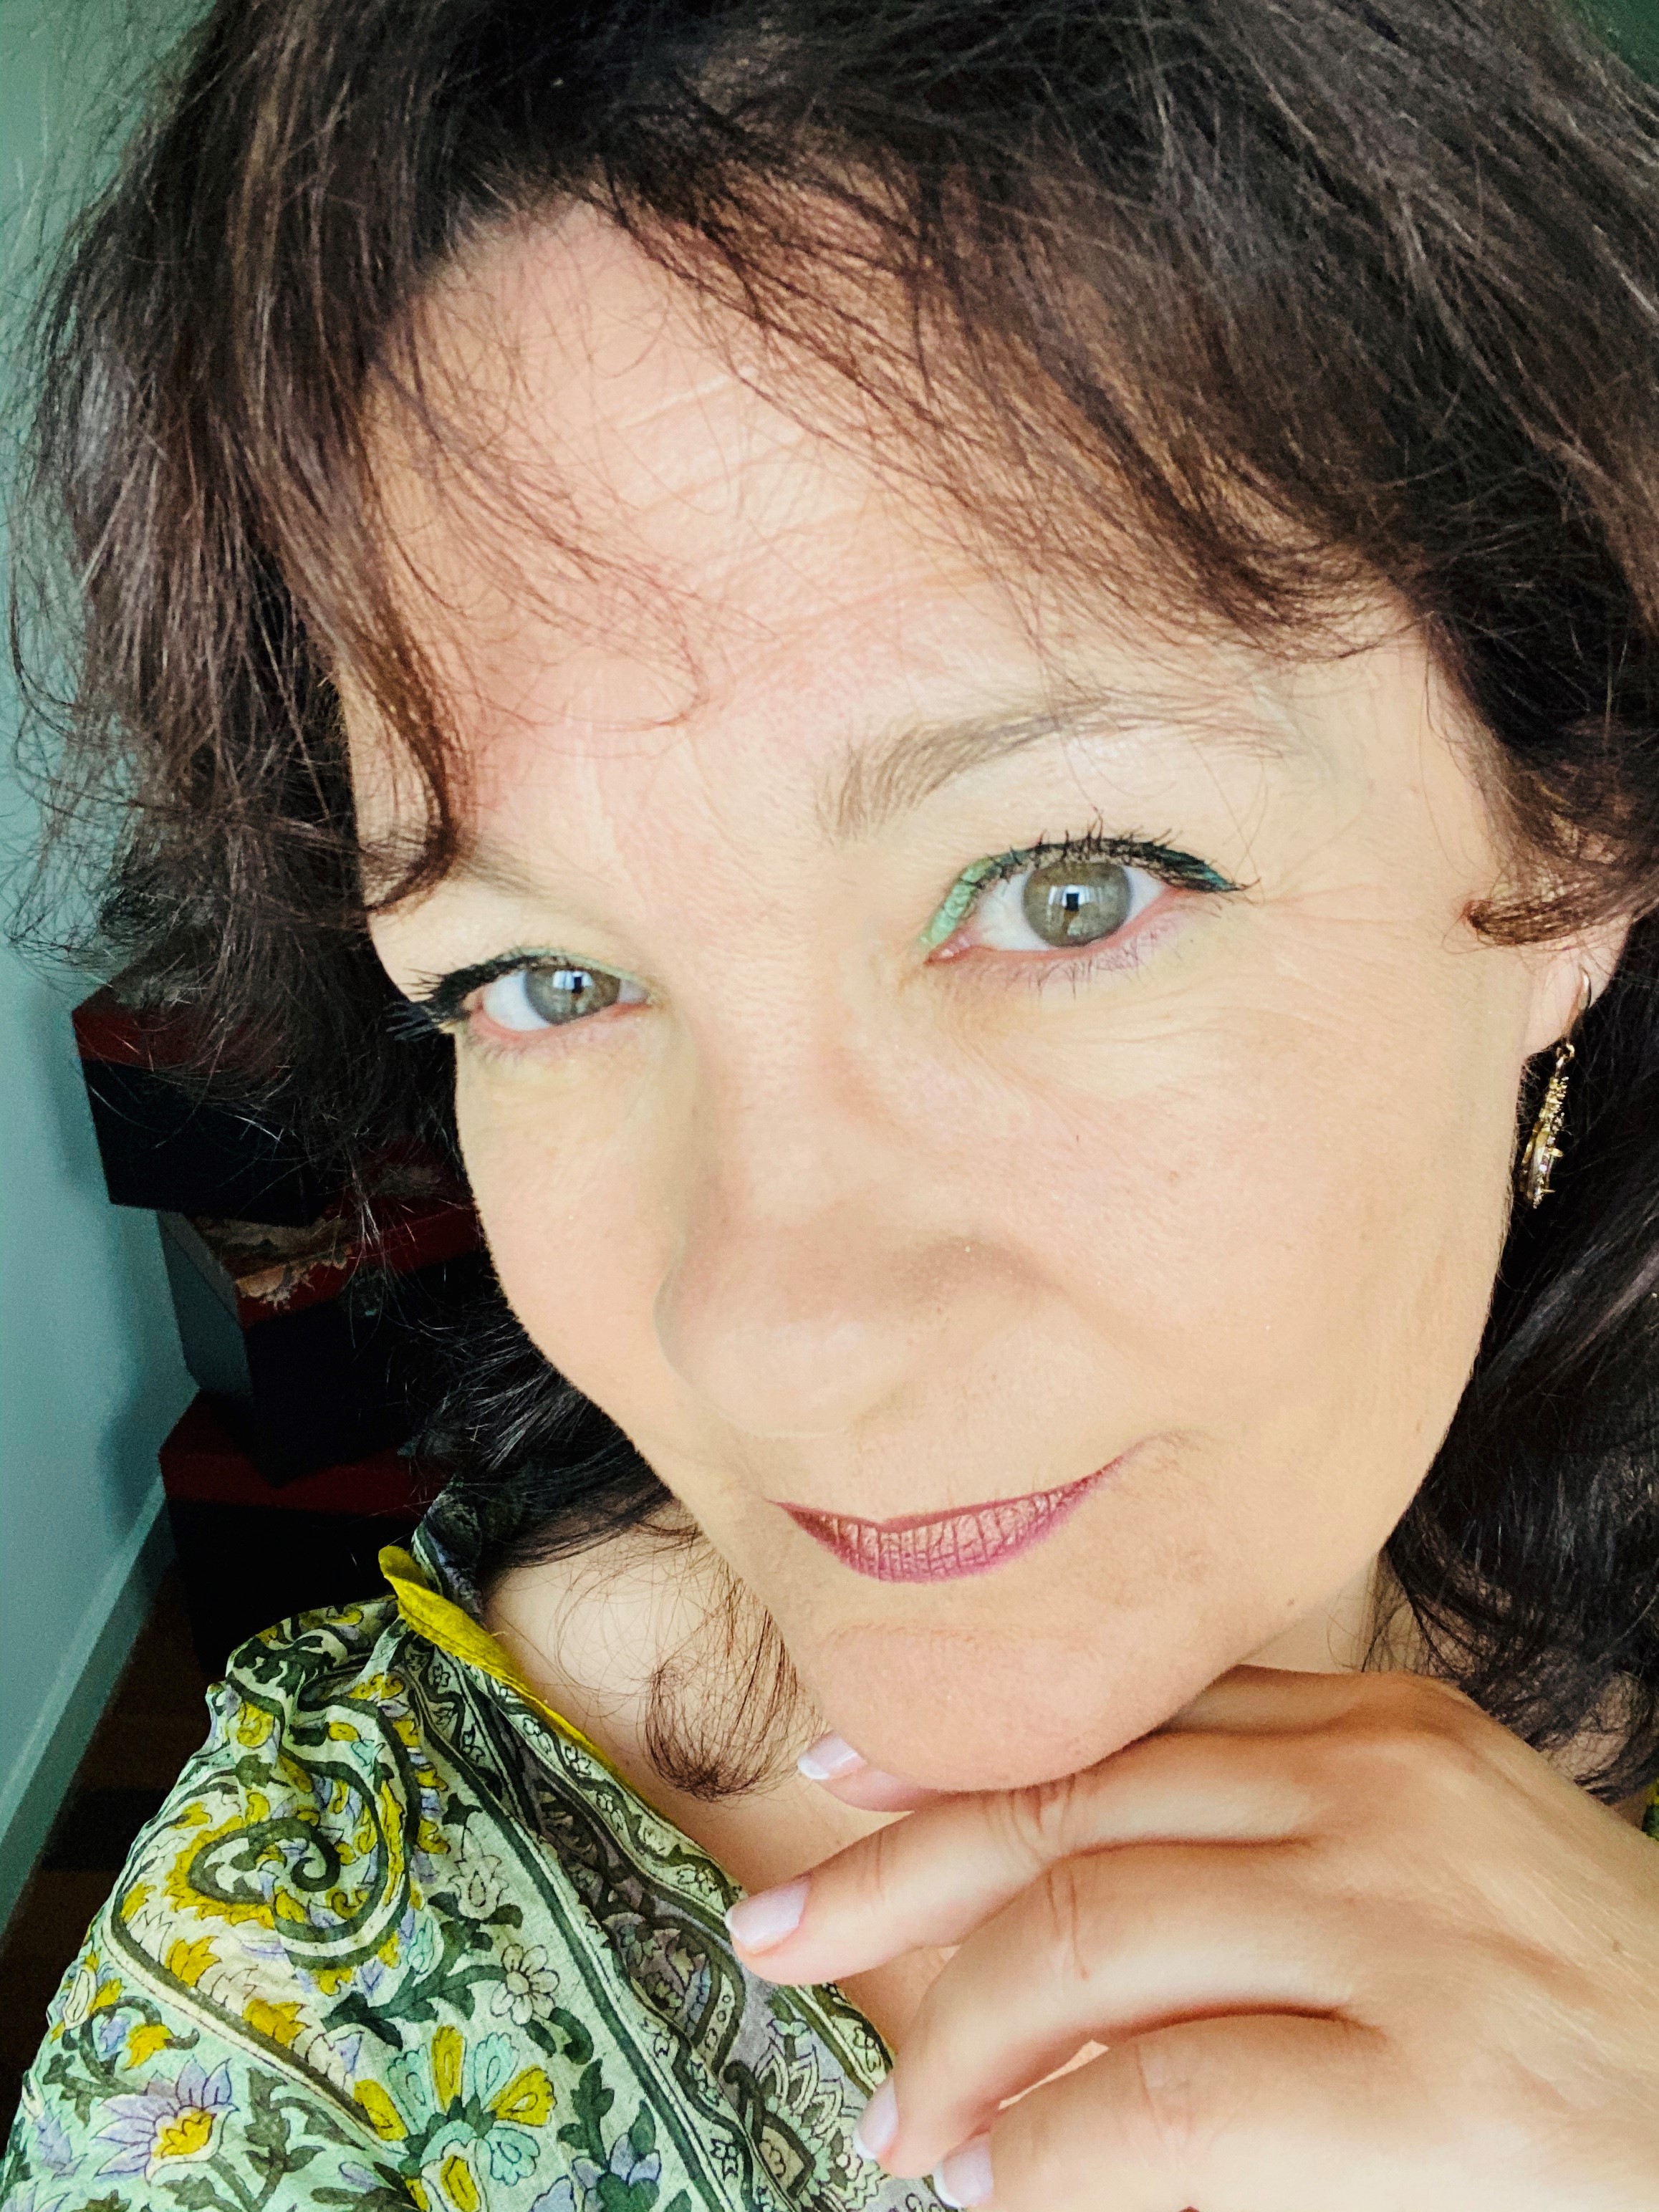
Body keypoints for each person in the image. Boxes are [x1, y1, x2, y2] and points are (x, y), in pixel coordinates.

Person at [6, 0, 1659, 2204]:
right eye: (545, 980)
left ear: (1576, 833)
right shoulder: (293, 2023)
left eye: (1066, 888)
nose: (767, 1340)